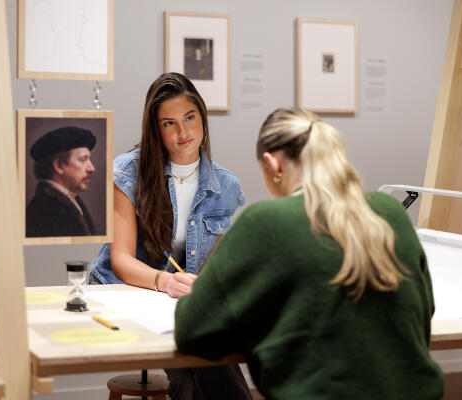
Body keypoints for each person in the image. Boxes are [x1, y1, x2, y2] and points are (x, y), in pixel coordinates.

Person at [174, 108, 445, 399]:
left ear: (273, 164)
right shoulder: (391, 210)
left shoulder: (265, 220)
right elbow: (424, 309)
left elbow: (192, 328)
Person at [89, 72, 252, 399]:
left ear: (202, 117)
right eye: (169, 123)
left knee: (208, 352)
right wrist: (165, 282)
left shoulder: (226, 185)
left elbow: (212, 270)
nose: (183, 132)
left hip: (182, 303)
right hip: (128, 292)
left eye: (190, 118)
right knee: (196, 356)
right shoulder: (128, 171)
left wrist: (204, 289)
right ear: (156, 129)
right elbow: (121, 261)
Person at [26, 126, 97, 237]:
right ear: (59, 165)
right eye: (83, 159)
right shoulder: (46, 211)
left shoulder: (69, 202)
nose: (91, 168)